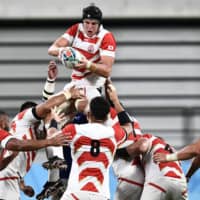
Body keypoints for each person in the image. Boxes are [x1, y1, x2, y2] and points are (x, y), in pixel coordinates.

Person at [0, 85, 84, 200]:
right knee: (50, 125)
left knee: (52, 128)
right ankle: (54, 173)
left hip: (11, 178)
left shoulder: (31, 132)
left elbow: (55, 118)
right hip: (7, 179)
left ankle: (53, 179)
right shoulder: (23, 118)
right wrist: (69, 94)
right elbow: (47, 106)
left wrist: (23, 186)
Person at [53, 83, 132, 200]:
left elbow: (51, 136)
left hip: (75, 194)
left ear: (89, 114)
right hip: (100, 195)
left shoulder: (74, 130)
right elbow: (128, 126)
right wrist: (115, 101)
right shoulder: (114, 134)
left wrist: (56, 120)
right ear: (106, 117)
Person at [48, 3, 116, 113]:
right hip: (74, 83)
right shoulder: (76, 29)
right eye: (87, 23)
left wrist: (88, 65)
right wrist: (63, 51)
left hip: (92, 86)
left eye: (94, 24)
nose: (89, 27)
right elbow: (51, 49)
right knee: (50, 110)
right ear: (82, 22)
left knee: (88, 110)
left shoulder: (106, 36)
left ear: (99, 24)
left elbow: (107, 70)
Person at [124, 134, 188, 200]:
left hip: (159, 182)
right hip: (181, 187)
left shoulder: (151, 139)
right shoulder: (174, 152)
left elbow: (141, 146)